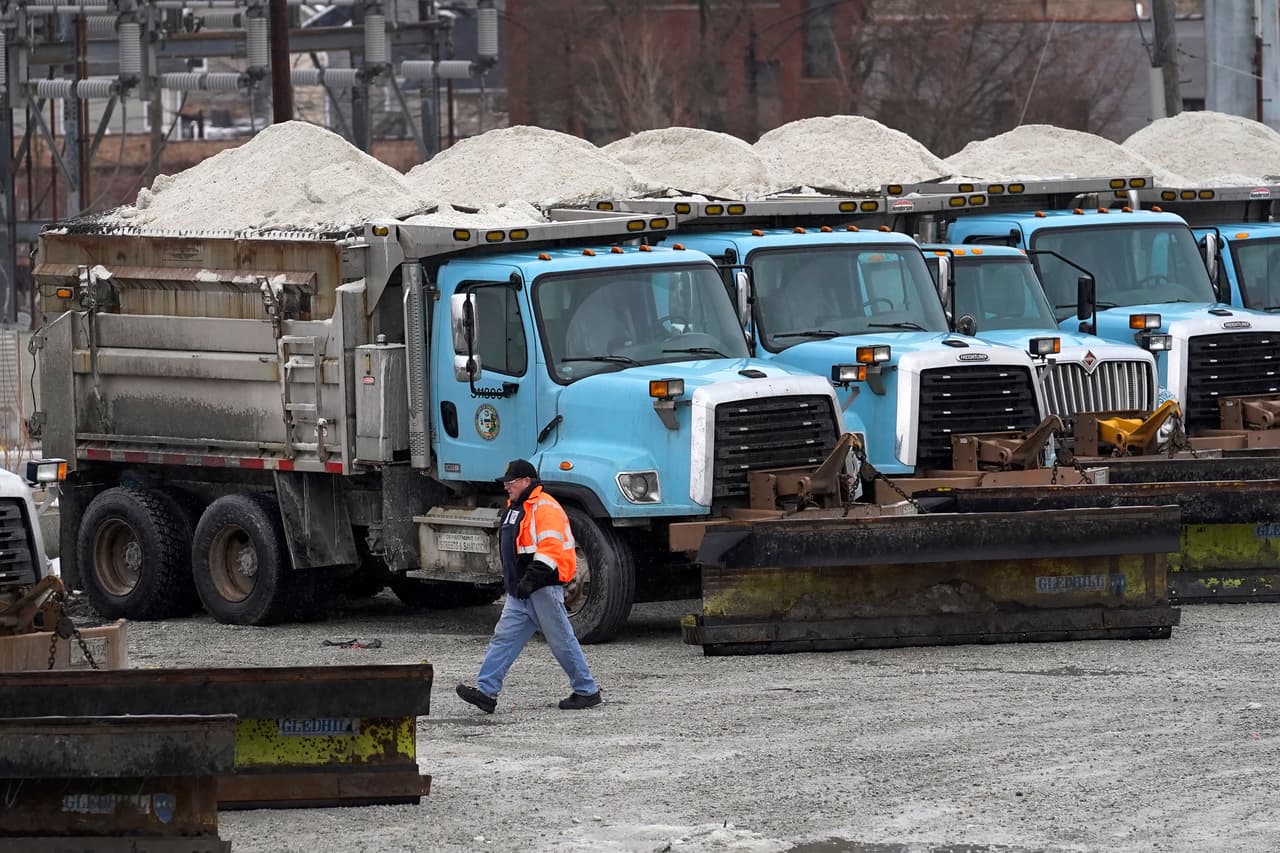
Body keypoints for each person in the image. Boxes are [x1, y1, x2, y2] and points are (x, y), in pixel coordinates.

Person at [456, 459, 602, 714]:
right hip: (523, 590)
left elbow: (550, 550)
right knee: (504, 639)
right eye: (506, 483)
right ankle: (486, 692)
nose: (506, 488)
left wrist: (531, 581)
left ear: (526, 482)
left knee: (561, 640)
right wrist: (518, 584)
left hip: (540, 588)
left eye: (511, 483)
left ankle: (587, 690)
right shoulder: (519, 507)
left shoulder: (544, 508)